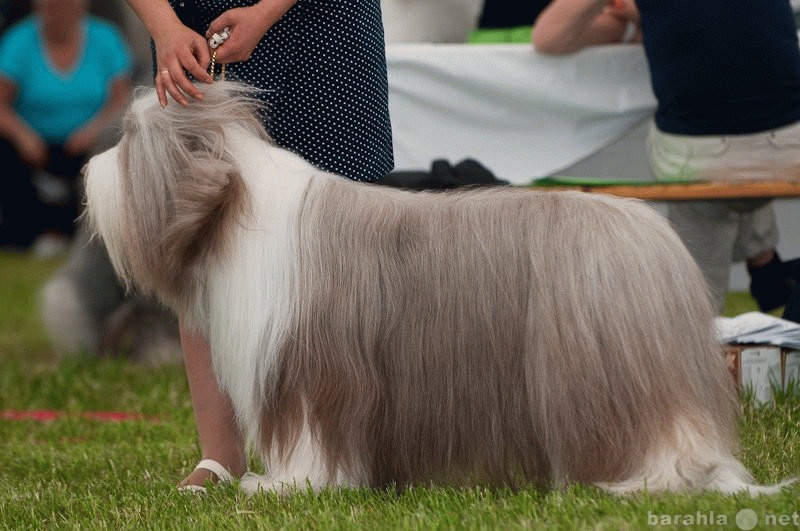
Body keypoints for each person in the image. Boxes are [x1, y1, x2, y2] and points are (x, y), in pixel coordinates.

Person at [123, 0, 394, 490]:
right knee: (202, 233)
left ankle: (341, 448)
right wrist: (163, 25)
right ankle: (221, 454)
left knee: (343, 247)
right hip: (191, 30)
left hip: (321, 26)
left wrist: (265, 12)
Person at [533, 0, 800, 313]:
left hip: (702, 156)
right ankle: (764, 261)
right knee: (744, 129)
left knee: (714, 159)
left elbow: (548, 38)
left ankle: (699, 311)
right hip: (791, 143)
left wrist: (628, 22)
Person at [0, 0, 132, 253]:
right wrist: (23, 135)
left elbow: (122, 99)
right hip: (33, 148)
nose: (59, 8)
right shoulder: (18, 41)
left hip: (87, 145)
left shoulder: (106, 38)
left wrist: (93, 130)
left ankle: (94, 232)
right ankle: (24, 232)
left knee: (113, 143)